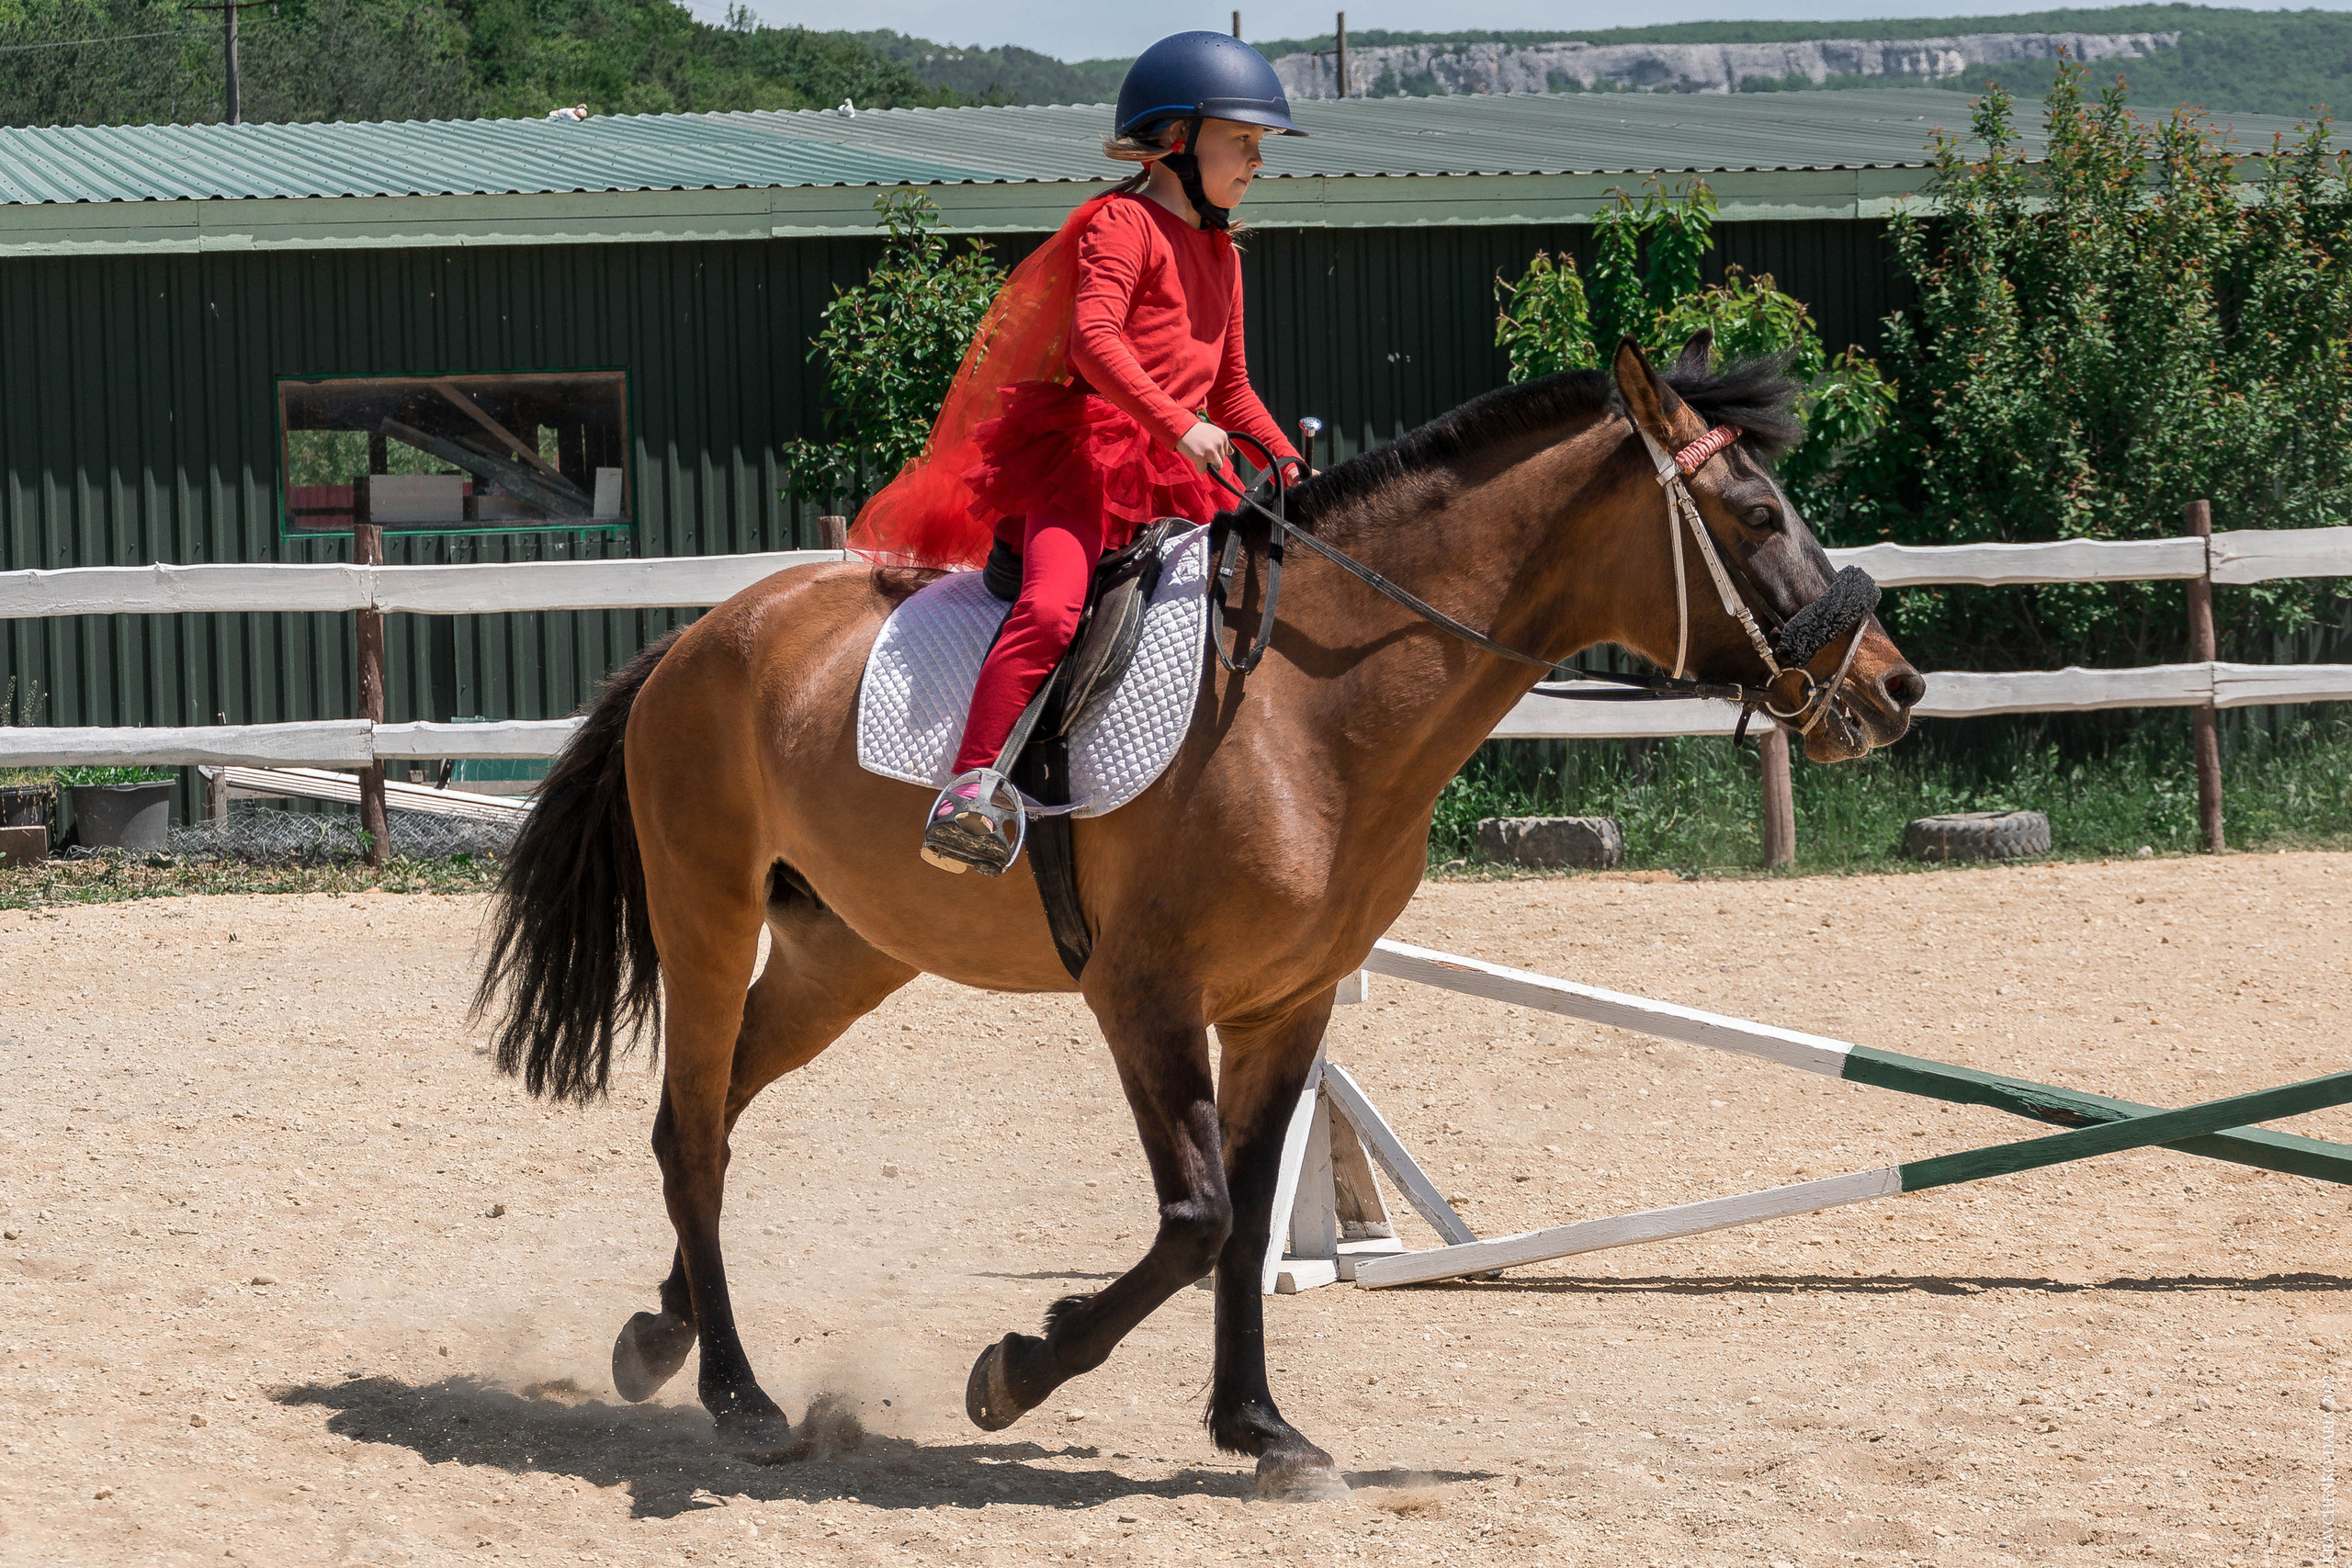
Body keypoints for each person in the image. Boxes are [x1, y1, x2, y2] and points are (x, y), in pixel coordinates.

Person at [849, 31, 1308, 875]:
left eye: (1259, 145)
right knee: (1055, 607)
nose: (1254, 160)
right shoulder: (1121, 222)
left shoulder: (1224, 255)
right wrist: (1178, 422)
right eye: (1240, 140)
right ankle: (970, 794)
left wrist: (1290, 467)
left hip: (1178, 463)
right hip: (1086, 458)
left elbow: (1234, 393)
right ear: (1177, 139)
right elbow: (1095, 342)